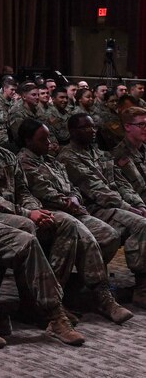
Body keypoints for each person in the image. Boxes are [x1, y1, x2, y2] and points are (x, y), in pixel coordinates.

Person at [0, 102, 84, 345]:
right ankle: (51, 311)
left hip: (15, 211)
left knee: (65, 223)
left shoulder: (5, 155)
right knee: (28, 230)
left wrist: (33, 208)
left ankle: (40, 300)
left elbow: (22, 189)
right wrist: (27, 213)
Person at [17, 118, 132, 324]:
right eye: (42, 139)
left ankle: (73, 285)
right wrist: (67, 202)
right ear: (28, 141)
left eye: (49, 137)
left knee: (109, 235)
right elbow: (40, 189)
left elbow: (73, 187)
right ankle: (99, 296)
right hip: (49, 212)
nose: (48, 142)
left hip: (74, 209)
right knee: (84, 237)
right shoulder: (24, 161)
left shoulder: (51, 161)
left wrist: (74, 199)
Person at [57, 112, 146, 308]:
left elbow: (122, 184)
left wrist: (139, 204)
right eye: (86, 128)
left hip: (114, 206)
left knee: (140, 217)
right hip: (91, 209)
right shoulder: (68, 157)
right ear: (72, 131)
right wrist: (129, 207)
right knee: (141, 225)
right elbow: (97, 190)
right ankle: (142, 287)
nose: (92, 131)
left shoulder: (100, 153)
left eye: (94, 127)